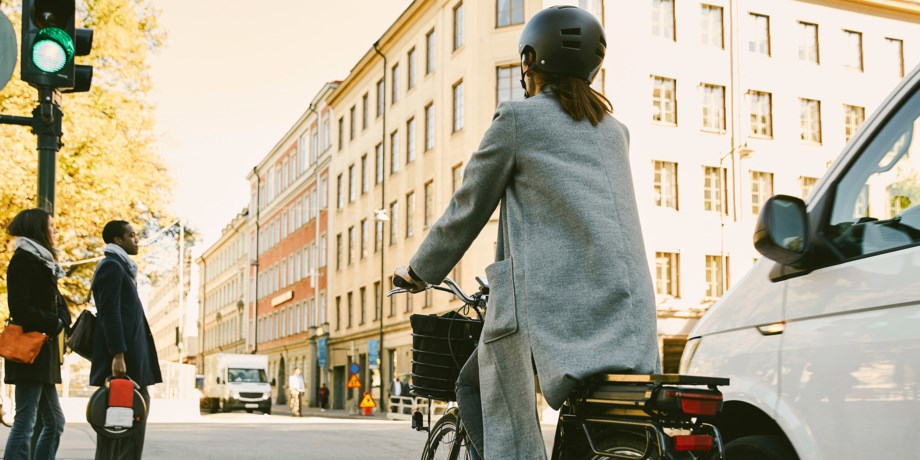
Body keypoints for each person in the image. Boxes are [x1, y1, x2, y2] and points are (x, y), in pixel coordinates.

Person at [393, 6, 660, 459]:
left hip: (551, 309)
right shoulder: (616, 131)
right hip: (628, 315)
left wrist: (418, 271)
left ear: (531, 61)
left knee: (474, 387)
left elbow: (467, 208)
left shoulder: (518, 121)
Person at [90, 220, 162, 460]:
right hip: (124, 360)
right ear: (117, 240)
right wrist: (118, 354)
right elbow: (110, 313)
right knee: (118, 427)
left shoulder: (122, 267)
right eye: (131, 235)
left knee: (127, 423)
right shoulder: (111, 266)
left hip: (130, 357)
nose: (137, 239)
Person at [3, 208, 71, 460]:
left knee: (54, 422)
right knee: (26, 421)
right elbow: (20, 307)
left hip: (43, 353)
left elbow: (55, 301)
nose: (54, 231)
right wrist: (55, 322)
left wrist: (63, 317)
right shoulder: (23, 260)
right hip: (29, 351)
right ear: (37, 229)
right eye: (50, 226)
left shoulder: (43, 261)